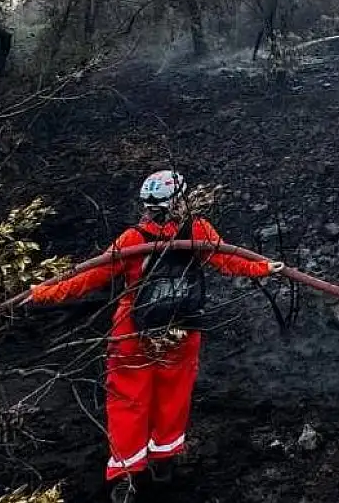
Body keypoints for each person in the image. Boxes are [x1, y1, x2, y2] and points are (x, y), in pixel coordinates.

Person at [27, 171, 283, 503]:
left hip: (134, 332)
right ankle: (163, 462)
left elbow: (91, 275)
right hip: (181, 329)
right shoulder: (197, 230)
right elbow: (227, 258)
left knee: (127, 400)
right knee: (173, 396)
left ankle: (126, 475)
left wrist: (44, 292)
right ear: (181, 199)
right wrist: (263, 267)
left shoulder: (134, 239)